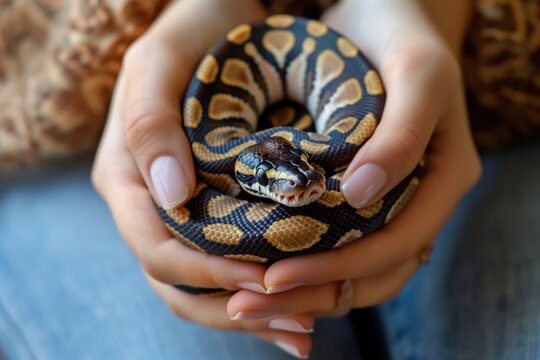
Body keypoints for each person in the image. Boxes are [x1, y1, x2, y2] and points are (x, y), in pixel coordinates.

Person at [1, 0, 538, 359]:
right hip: (63, 137)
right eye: (279, 182)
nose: (301, 186)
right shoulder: (241, 158)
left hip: (483, 112)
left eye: (300, 177)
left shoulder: (294, 159)